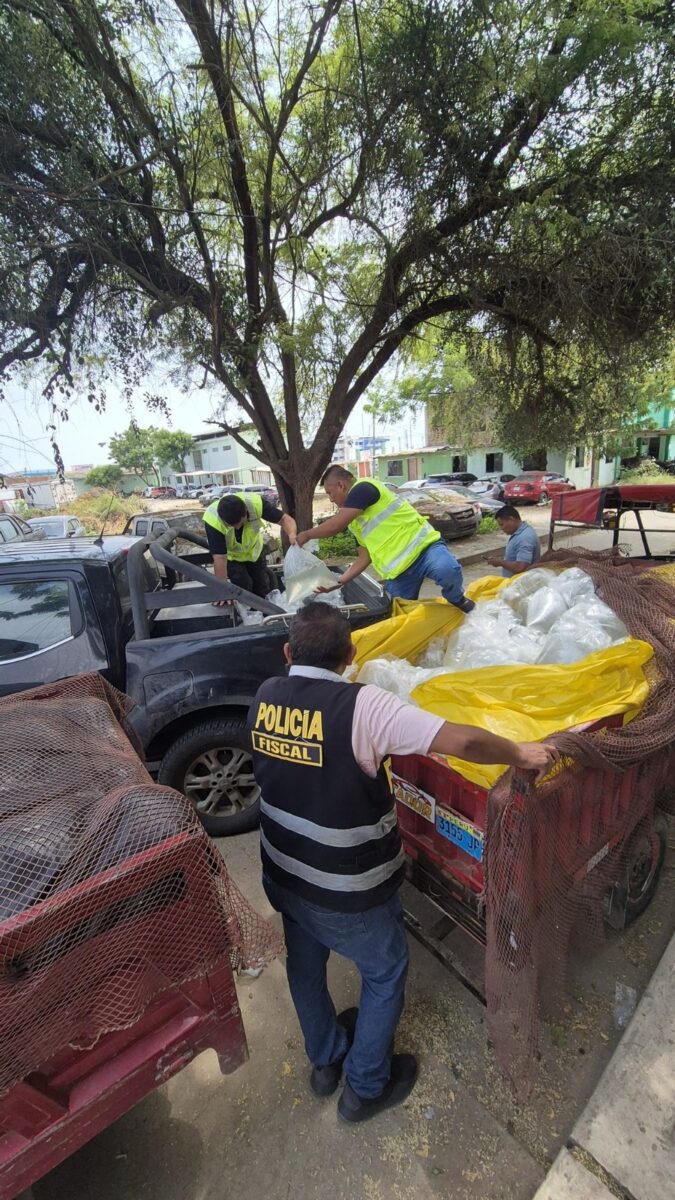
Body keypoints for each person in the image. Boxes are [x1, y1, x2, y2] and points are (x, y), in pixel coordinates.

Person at [248, 604, 558, 1124]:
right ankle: (365, 1088)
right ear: (350, 656)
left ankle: (325, 1061)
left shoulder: (264, 696)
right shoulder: (365, 708)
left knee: (304, 964)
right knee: (385, 968)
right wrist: (520, 754)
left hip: (283, 871)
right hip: (349, 890)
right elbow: (462, 740)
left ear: (287, 653)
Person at [296, 465, 475, 613]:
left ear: (341, 485)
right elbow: (364, 557)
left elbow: (336, 525)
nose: (331, 499)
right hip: (398, 574)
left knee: (448, 571)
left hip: (425, 551)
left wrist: (307, 534)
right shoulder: (355, 523)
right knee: (402, 619)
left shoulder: (364, 488)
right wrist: (339, 582)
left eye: (330, 493)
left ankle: (456, 599)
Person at [203, 491, 297, 601]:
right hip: (232, 557)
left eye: (241, 523)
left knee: (262, 585)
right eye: (232, 526)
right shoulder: (213, 520)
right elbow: (219, 558)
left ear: (246, 512)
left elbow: (284, 519)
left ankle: (265, 614)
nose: (237, 528)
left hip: (254, 552)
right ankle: (247, 615)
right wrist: (222, 591)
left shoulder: (255, 504)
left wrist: (292, 534)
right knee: (243, 587)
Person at [486, 505, 541, 578]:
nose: (501, 528)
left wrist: (500, 562)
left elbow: (521, 567)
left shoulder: (524, 538)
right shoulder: (521, 533)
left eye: (502, 524)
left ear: (511, 519)